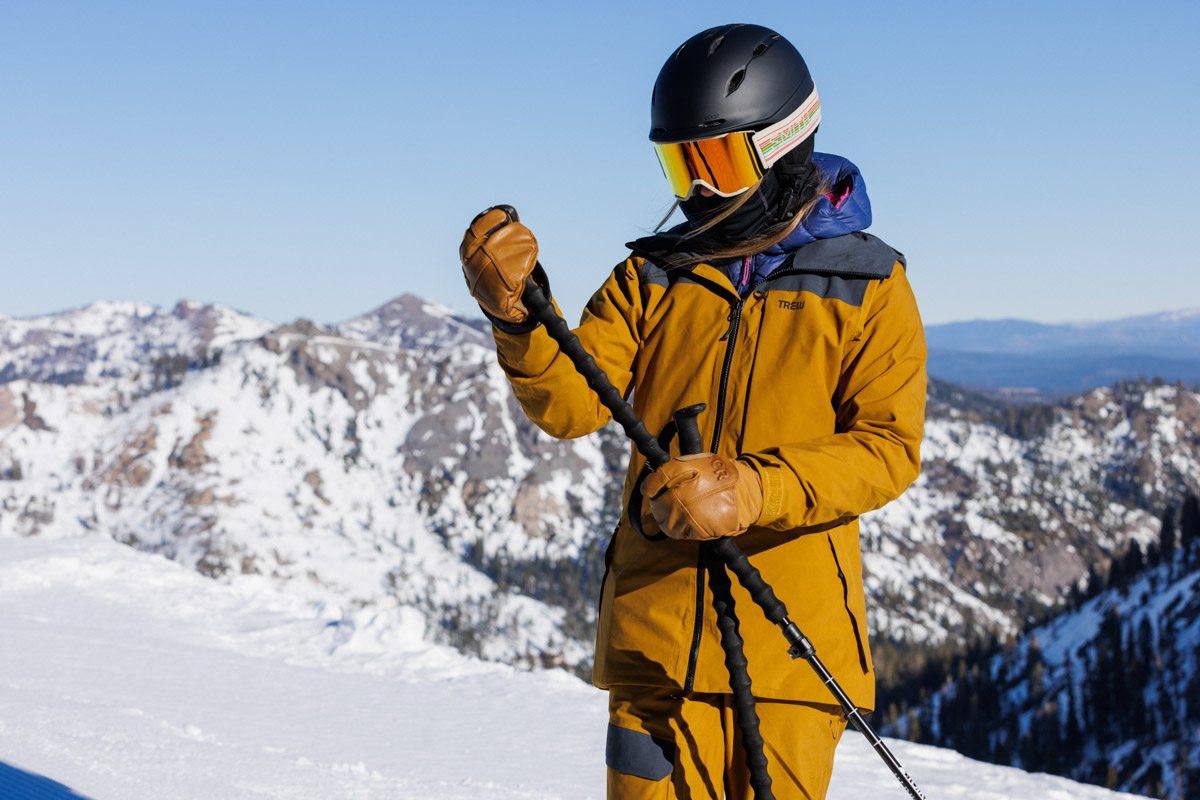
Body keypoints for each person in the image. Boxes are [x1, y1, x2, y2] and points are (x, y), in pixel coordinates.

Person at [459, 23, 926, 800]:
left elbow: (886, 450)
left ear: (784, 145)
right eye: (681, 163)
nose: (696, 190)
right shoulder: (654, 276)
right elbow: (573, 403)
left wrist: (753, 488)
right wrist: (518, 319)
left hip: (787, 649)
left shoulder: (868, 285)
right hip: (655, 642)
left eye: (715, 162)